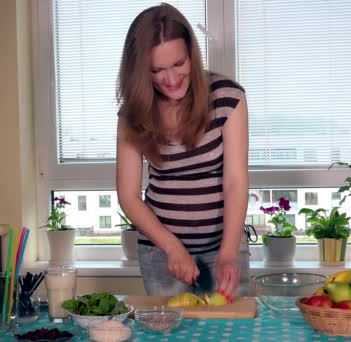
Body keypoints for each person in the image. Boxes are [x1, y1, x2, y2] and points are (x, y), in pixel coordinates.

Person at [115, 3, 250, 298]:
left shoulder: (228, 97)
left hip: (222, 249)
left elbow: (235, 182)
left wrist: (228, 254)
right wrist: (173, 247)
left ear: (191, 53)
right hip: (161, 252)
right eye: (157, 70)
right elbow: (128, 195)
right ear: (140, 71)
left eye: (178, 64)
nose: (172, 79)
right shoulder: (132, 114)